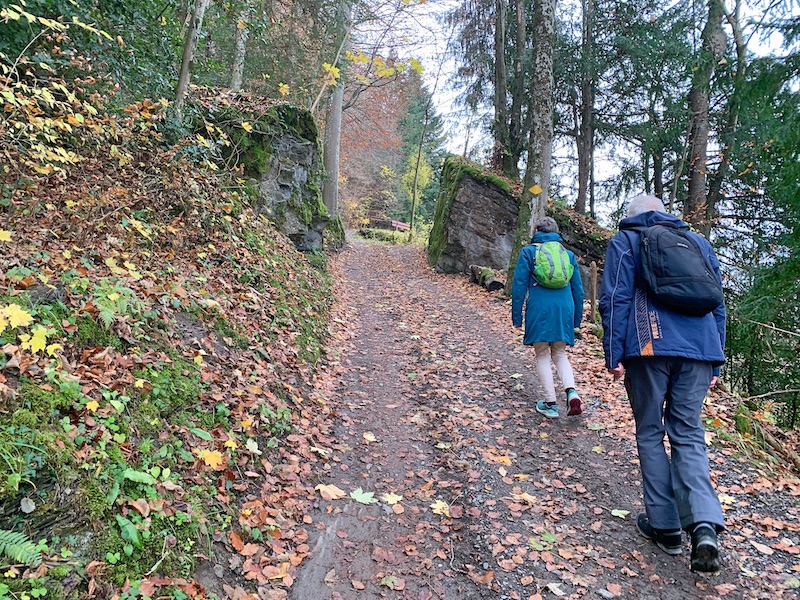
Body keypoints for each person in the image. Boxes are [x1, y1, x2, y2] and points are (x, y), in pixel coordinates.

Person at [599, 194, 726, 572]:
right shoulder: (698, 242)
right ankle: (704, 525)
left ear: (632, 216)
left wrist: (613, 353)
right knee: (687, 432)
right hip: (701, 349)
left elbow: (615, 298)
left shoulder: (626, 240)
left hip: (648, 347)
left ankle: (666, 526)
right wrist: (717, 357)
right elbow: (718, 301)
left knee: (650, 431)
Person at [512, 217, 584, 418]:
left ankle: (550, 403)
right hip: (564, 308)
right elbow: (578, 290)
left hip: (539, 307)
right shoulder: (567, 255)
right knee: (560, 353)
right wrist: (577, 320)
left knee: (542, 353)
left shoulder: (529, 252)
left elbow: (518, 286)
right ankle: (571, 392)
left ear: (536, 230)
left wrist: (516, 317)